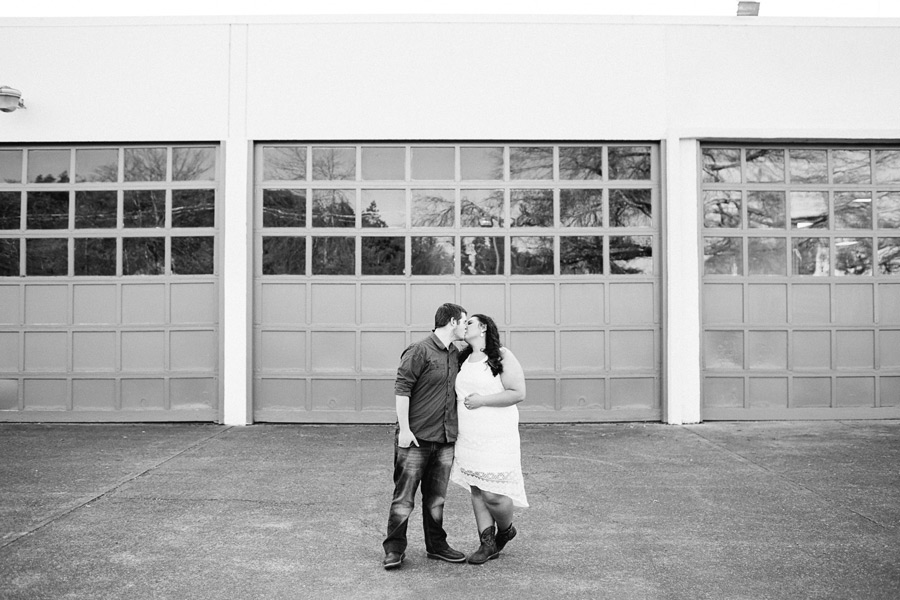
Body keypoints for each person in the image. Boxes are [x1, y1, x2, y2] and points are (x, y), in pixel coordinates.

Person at [382, 302, 469, 570]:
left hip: (444, 440)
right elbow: (402, 390)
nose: (466, 327)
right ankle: (394, 550)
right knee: (404, 497)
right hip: (416, 439)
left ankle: (437, 546)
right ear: (452, 322)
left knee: (436, 499)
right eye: (465, 322)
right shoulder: (419, 350)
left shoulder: (456, 354)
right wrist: (405, 431)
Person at [450, 313, 528, 565]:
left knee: (493, 494)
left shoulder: (502, 355)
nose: (465, 326)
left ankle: (505, 530)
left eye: (470, 322)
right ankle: (486, 543)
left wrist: (482, 400)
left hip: (497, 436)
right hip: (469, 436)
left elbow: (518, 393)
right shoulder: (462, 358)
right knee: (476, 488)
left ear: (483, 327)